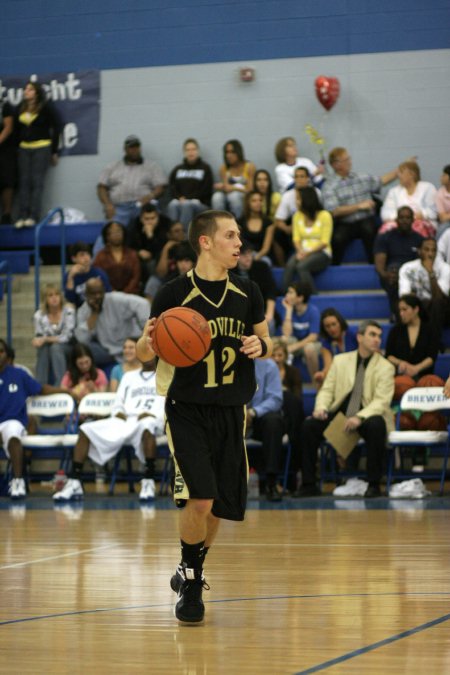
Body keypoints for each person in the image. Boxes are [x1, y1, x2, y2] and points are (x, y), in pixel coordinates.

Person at [136, 209, 272, 624]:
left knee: (217, 509)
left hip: (232, 410)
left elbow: (267, 340)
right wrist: (148, 342)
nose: (239, 243)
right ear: (206, 242)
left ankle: (189, 565)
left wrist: (261, 347)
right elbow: (144, 356)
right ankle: (192, 582)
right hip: (187, 409)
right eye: (230, 236)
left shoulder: (249, 291)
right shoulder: (172, 294)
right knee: (200, 499)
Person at [294, 320, 395, 498]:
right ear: (359, 337)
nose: (377, 340)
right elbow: (327, 390)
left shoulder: (386, 367)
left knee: (377, 424)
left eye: (379, 336)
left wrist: (360, 417)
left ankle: (373, 484)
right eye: (372, 335)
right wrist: (321, 407)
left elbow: (382, 401)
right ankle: (309, 484)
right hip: (341, 413)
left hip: (367, 415)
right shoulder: (340, 361)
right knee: (309, 426)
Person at [53, 359, 165, 502]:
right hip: (125, 420)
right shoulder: (129, 376)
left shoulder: (166, 375)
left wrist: (154, 415)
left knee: (147, 425)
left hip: (150, 419)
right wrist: (118, 411)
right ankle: (75, 482)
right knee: (85, 429)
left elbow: (168, 403)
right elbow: (118, 401)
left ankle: (148, 481)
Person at [0, 339, 71, 499]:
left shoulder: (18, 374)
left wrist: (66, 391)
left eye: (1, 351)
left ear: (7, 355)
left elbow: (41, 388)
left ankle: (18, 481)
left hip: (11, 421)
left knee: (13, 435)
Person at [322, 146, 404, 264]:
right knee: (337, 238)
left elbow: (381, 181)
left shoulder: (361, 178)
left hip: (365, 219)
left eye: (348, 159)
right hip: (345, 222)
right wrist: (359, 206)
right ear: (336, 165)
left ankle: (375, 266)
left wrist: (399, 170)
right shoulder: (329, 186)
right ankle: (334, 268)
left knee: (369, 230)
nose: (350, 162)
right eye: (346, 160)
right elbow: (334, 211)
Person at [14, 81, 62, 228]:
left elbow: (57, 126)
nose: (26, 92)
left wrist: (54, 150)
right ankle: (22, 215)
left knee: (37, 182)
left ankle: (33, 216)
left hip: (41, 147)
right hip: (24, 148)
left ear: (37, 93)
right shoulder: (20, 108)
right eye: (25, 89)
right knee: (24, 182)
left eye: (30, 89)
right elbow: (16, 129)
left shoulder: (46, 107)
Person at [74, 278, 149, 366]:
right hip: (108, 351)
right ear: (86, 295)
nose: (97, 296)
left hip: (131, 345)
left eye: (100, 292)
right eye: (93, 294)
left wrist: (145, 331)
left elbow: (143, 303)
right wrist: (94, 314)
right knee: (84, 348)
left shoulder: (116, 298)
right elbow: (82, 340)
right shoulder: (83, 310)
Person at [97, 135, 167, 226]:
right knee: (112, 232)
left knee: (154, 226)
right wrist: (108, 205)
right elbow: (101, 188)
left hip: (143, 206)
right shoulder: (112, 167)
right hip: (119, 208)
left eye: (136, 147)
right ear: (125, 149)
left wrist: (150, 196)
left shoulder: (152, 166)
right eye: (131, 148)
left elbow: (161, 187)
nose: (134, 150)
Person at [373, 206, 424, 318]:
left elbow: (424, 263)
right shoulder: (385, 237)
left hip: (413, 274)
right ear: (396, 220)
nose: (404, 220)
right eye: (401, 217)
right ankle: (397, 313)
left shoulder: (420, 239)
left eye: (407, 217)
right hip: (392, 274)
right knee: (394, 272)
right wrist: (386, 275)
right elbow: (379, 265)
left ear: (413, 220)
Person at [246, 357, 284, 502]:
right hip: (231, 415)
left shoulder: (269, 365)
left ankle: (271, 482)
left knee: (274, 422)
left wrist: (253, 413)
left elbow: (275, 399)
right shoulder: (223, 361)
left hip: (257, 417)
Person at [283, 186, 332, 292]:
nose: (296, 201)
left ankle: (313, 296)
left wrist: (307, 253)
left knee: (302, 266)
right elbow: (296, 238)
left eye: (298, 199)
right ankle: (285, 294)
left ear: (307, 200)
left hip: (321, 252)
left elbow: (325, 242)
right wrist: (300, 251)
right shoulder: (297, 215)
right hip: (302, 251)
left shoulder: (325, 215)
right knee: (290, 264)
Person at [271, 339, 304, 491]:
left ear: (285, 356)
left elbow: (298, 398)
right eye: (273, 356)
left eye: (279, 355)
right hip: (271, 413)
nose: (277, 359)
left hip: (291, 414)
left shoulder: (293, 372)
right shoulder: (263, 372)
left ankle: (291, 433)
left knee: (290, 399)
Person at [398, 237, 450, 331]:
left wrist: (431, 273)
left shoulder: (445, 269)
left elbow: (439, 297)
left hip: (441, 311)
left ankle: (433, 341)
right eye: (426, 249)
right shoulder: (408, 268)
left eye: (433, 250)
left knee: (437, 304)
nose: (430, 254)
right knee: (406, 306)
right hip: (418, 308)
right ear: (419, 251)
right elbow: (405, 296)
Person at [385, 295, 440, 381]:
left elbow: (432, 356)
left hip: (424, 376)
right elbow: (389, 355)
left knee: (431, 381)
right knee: (401, 384)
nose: (401, 313)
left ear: (416, 309)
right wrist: (401, 363)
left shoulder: (430, 330)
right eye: (400, 310)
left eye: (405, 309)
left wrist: (417, 368)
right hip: (401, 376)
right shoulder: (395, 330)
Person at [32, 284, 75, 385]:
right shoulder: (39, 315)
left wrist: (45, 339)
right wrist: (37, 341)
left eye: (57, 294)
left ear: (61, 297)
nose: (54, 298)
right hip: (48, 348)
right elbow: (40, 336)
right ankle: (40, 384)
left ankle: (61, 384)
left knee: (55, 347)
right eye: (50, 295)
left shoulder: (69, 311)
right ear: (45, 299)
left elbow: (67, 336)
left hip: (69, 346)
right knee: (44, 348)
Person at [380, 161, 437, 237]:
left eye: (401, 173)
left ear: (412, 174)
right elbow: (385, 213)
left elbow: (433, 211)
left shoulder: (428, 187)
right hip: (398, 223)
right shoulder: (394, 191)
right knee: (386, 230)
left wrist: (422, 214)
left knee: (417, 227)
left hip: (423, 222)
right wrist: (402, 218)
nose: (399, 176)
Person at [279, 281, 321, 382]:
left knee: (309, 349)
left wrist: (294, 347)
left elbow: (313, 337)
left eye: (290, 292)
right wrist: (288, 310)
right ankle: (282, 382)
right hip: (296, 341)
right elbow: (286, 334)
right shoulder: (289, 309)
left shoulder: (313, 311)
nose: (286, 295)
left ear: (300, 298)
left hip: (311, 344)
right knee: (282, 340)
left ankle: (316, 382)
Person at [166, 138, 213, 228]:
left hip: (200, 203)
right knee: (172, 204)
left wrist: (188, 198)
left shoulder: (205, 168)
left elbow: (206, 189)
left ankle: (184, 237)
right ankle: (172, 235)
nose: (191, 152)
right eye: (188, 150)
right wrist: (179, 197)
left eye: (193, 149)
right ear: (184, 152)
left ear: (198, 151)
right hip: (181, 200)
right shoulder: (177, 169)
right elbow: (172, 187)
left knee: (187, 205)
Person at [273, 166, 314, 265]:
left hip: (314, 226)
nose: (299, 179)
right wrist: (287, 228)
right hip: (294, 227)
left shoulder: (316, 192)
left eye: (302, 176)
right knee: (277, 233)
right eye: (296, 177)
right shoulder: (288, 195)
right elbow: (278, 220)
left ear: (308, 178)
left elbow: (322, 215)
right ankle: (282, 265)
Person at [235, 242, 277, 334]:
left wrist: (269, 314)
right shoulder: (230, 271)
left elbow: (271, 291)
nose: (248, 257)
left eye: (250, 253)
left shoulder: (262, 267)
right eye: (244, 254)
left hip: (261, 310)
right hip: (238, 312)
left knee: (269, 323)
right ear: (237, 256)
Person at [127, 203, 173, 285]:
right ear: (141, 218)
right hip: (141, 257)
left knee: (151, 264)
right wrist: (138, 252)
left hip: (161, 256)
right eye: (146, 219)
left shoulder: (166, 223)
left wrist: (150, 236)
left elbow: (162, 247)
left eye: (153, 218)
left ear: (158, 217)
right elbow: (128, 245)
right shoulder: (134, 225)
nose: (150, 222)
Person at [93, 220, 141, 294]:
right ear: (107, 236)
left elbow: (136, 277)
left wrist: (126, 292)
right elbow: (99, 276)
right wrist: (112, 291)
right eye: (113, 232)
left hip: (131, 295)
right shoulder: (100, 256)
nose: (117, 234)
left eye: (119, 231)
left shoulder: (132, 254)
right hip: (108, 294)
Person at [211, 140, 255, 219]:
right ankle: (219, 224)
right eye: (227, 152)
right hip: (228, 196)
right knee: (216, 197)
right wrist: (222, 187)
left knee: (234, 196)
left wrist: (234, 188)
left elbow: (251, 190)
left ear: (238, 152)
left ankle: (237, 225)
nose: (229, 155)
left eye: (232, 152)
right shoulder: (224, 168)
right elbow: (226, 188)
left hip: (243, 197)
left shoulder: (249, 166)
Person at [314, 308, 358, 388]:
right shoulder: (326, 343)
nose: (331, 329)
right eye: (327, 326)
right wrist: (322, 374)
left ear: (340, 323)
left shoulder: (353, 335)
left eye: (334, 324)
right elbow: (328, 367)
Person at [143, 236, 195, 302]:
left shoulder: (198, 278)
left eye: (186, 260)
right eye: (180, 261)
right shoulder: (171, 280)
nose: (182, 264)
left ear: (194, 262)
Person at [64, 241, 112, 308]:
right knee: (68, 306)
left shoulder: (99, 273)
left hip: (99, 308)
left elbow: (108, 294)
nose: (86, 258)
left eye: (88, 254)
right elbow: (70, 299)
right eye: (82, 255)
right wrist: (70, 278)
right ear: (74, 258)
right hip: (80, 310)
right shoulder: (69, 276)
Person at [237, 191, 275, 264]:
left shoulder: (268, 222)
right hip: (243, 254)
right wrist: (246, 257)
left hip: (260, 255)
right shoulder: (239, 222)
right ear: (248, 203)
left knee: (266, 261)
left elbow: (266, 248)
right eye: (254, 201)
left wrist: (255, 257)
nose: (258, 203)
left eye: (260, 200)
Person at [0, 95, 16, 224]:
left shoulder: (4, 105)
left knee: (7, 181)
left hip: (5, 150)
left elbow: (8, 127)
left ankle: (6, 214)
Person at [435, 164, 450, 239]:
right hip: (447, 222)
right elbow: (442, 218)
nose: (441, 177)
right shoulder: (440, 193)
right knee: (442, 228)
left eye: (444, 175)